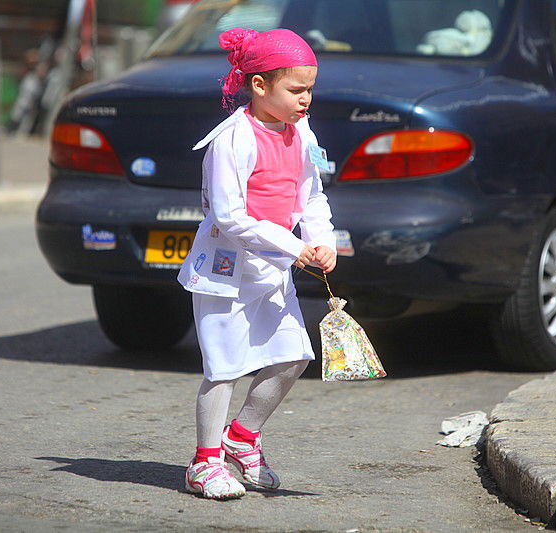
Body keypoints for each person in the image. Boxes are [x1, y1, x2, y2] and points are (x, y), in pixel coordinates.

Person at [176, 27, 337, 500]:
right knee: (224, 367)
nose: (306, 99)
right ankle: (204, 463)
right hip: (225, 271)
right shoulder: (233, 139)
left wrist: (320, 241)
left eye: (310, 89)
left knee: (294, 357)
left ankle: (242, 437)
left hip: (273, 269)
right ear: (260, 85)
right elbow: (229, 216)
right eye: (296, 89)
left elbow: (312, 194)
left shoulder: (300, 131)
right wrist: (292, 246)